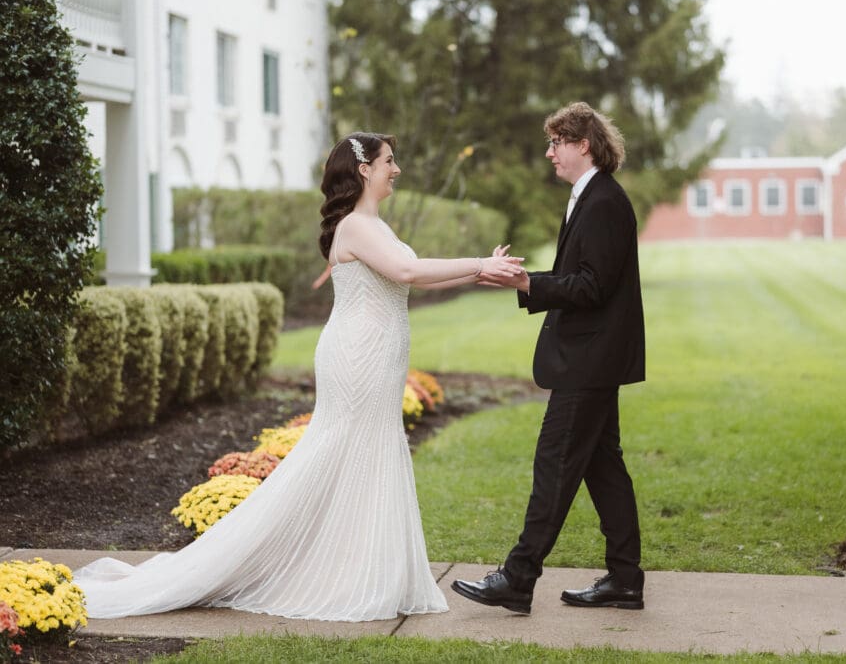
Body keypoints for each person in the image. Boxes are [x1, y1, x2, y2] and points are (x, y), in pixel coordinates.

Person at [73, 132, 524, 622]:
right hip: (357, 359)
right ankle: (312, 571)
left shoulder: (372, 224)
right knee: (340, 455)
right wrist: (480, 262)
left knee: (366, 455)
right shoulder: (355, 225)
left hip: (376, 356)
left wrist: (478, 275)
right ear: (363, 170)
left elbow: (402, 276)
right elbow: (408, 270)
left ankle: (365, 570)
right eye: (389, 161)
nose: (397, 169)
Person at [451, 102, 646, 615]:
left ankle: (518, 577)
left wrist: (527, 282)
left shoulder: (602, 200)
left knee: (555, 463)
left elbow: (593, 286)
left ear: (583, 144)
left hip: (590, 359)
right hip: (593, 357)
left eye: (557, 142)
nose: (549, 153)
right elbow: (587, 277)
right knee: (603, 468)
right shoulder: (590, 197)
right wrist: (529, 281)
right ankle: (625, 580)